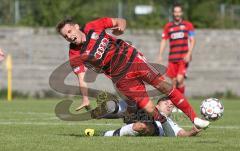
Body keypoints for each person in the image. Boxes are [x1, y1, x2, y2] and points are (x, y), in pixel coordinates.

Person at [56, 16, 209, 128]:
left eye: (69, 31)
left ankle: (194, 118)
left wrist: (120, 28)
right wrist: (85, 99)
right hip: (121, 77)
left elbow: (120, 20)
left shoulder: (93, 26)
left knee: (164, 86)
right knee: (149, 108)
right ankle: (166, 127)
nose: (69, 36)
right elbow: (81, 78)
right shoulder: (74, 54)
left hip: (133, 60)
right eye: (65, 36)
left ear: (76, 26)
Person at [104, 97, 202, 137]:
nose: (169, 105)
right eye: (166, 103)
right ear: (157, 106)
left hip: (152, 127)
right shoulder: (151, 109)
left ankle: (107, 134)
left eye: (171, 105)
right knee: (135, 102)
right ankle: (102, 114)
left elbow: (181, 133)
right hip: (143, 116)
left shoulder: (171, 122)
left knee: (141, 126)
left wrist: (192, 132)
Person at [158, 3, 195, 95]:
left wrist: (189, 53)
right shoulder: (168, 26)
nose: (177, 14)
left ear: (182, 13)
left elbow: (193, 40)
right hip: (172, 58)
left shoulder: (188, 25)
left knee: (180, 80)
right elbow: (164, 40)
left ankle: (182, 102)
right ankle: (177, 103)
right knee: (174, 82)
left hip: (183, 58)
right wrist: (160, 55)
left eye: (179, 12)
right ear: (173, 13)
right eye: (175, 12)